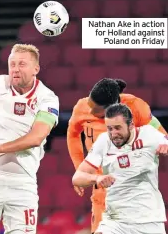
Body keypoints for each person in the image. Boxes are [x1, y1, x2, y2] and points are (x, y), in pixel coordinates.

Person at [0, 44, 60, 234]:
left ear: (36, 69)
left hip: (23, 184)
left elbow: (36, 137)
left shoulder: (47, 98)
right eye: (12, 64)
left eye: (22, 64)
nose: (15, 69)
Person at [67, 78, 167, 233]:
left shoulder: (137, 108)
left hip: (139, 199)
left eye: (96, 110)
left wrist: (164, 146)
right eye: (90, 105)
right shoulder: (84, 111)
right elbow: (73, 135)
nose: (90, 111)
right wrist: (81, 169)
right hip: (103, 192)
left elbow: (161, 136)